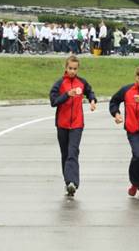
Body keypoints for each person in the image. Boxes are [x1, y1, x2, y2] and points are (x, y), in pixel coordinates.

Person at [50, 55, 97, 197]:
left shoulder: (81, 82)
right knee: (65, 154)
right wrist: (67, 95)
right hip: (62, 124)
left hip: (77, 124)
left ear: (78, 69)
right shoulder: (59, 84)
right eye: (70, 68)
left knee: (73, 152)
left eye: (75, 69)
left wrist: (93, 100)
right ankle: (68, 182)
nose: (72, 71)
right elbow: (53, 101)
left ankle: (73, 182)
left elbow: (90, 92)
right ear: (66, 68)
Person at [109, 66, 139, 198]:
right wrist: (116, 114)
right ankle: (135, 183)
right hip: (133, 131)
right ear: (135, 77)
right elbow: (114, 101)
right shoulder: (127, 90)